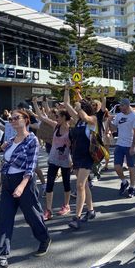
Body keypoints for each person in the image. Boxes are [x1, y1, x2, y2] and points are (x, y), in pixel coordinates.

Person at [0, 110, 51, 267]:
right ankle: (2, 256)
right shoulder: (10, 140)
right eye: (11, 119)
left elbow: (31, 167)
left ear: (26, 120)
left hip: (24, 182)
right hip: (8, 182)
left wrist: (22, 187)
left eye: (16, 118)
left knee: (33, 216)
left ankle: (44, 238)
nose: (13, 121)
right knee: (4, 219)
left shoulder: (32, 140)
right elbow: (7, 160)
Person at [63, 85, 98, 230]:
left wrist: (79, 107)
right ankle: (90, 210)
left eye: (81, 107)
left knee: (79, 186)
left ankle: (76, 217)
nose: (78, 108)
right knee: (84, 185)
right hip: (77, 155)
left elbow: (84, 115)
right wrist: (67, 90)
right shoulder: (78, 119)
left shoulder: (93, 119)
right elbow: (66, 104)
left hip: (87, 156)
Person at [32, 97, 73, 220]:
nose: (56, 118)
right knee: (50, 184)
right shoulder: (55, 126)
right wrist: (35, 103)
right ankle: (48, 210)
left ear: (65, 117)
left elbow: (73, 147)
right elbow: (42, 117)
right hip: (53, 159)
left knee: (66, 183)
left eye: (59, 116)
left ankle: (66, 205)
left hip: (66, 160)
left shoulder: (71, 131)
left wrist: (73, 160)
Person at [109, 98, 135, 198]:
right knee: (117, 167)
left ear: (127, 106)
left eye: (122, 105)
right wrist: (109, 122)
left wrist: (133, 146)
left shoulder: (134, 117)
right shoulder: (118, 116)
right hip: (120, 144)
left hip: (129, 145)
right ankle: (124, 181)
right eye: (120, 106)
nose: (120, 107)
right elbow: (114, 129)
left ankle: (132, 187)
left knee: (131, 168)